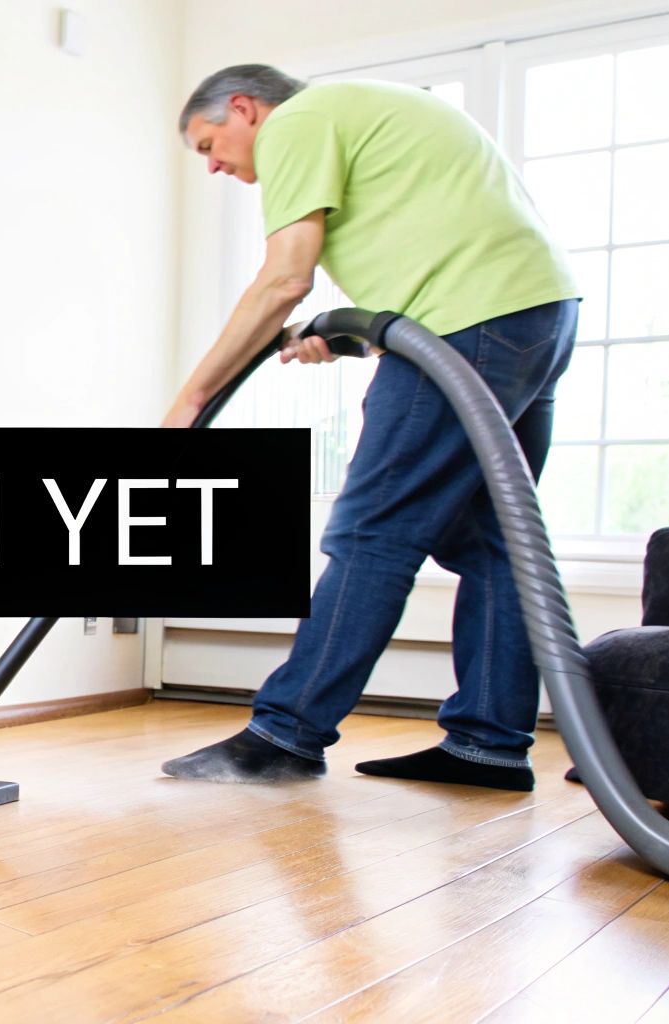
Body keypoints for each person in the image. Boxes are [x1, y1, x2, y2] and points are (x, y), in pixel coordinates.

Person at [159, 65, 579, 792]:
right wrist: (356, 336)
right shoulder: (371, 108)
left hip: (465, 323)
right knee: (492, 539)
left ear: (243, 108)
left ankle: (285, 735)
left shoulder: (297, 120)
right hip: (535, 315)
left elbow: (287, 277)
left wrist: (191, 399)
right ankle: (488, 744)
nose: (217, 165)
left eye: (208, 145)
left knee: (372, 534)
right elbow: (434, 242)